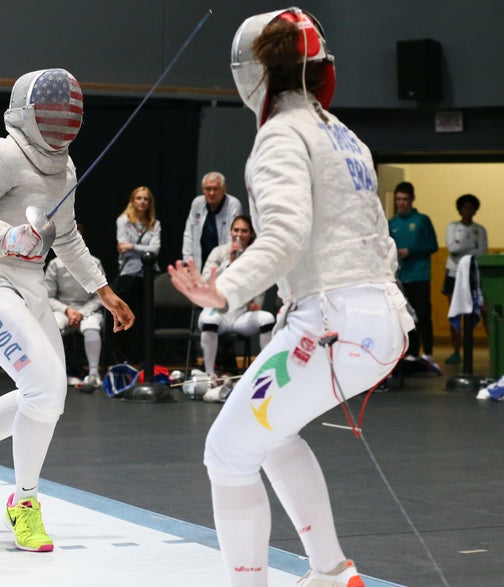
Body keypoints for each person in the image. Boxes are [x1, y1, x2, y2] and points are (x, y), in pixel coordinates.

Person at [168, 8, 413, 586]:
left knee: (226, 454)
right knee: (271, 438)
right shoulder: (343, 134)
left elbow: (284, 233)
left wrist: (223, 287)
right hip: (380, 319)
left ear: (252, 74)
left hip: (336, 323)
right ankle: (330, 571)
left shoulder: (280, 135)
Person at [0, 69, 134, 553]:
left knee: (47, 398)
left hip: (29, 285)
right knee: (46, 387)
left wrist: (102, 289)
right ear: (30, 112)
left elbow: (68, 235)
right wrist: (2, 235)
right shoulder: (3, 154)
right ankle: (25, 502)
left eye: (68, 111)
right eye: (53, 111)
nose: (61, 118)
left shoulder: (67, 168)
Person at [198, 215, 274, 379]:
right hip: (217, 312)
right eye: (236, 230)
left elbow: (261, 283)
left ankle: (266, 373)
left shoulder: (254, 257)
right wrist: (228, 264)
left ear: (250, 234)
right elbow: (205, 280)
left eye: (244, 231)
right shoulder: (218, 252)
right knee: (209, 321)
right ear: (231, 232)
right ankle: (209, 374)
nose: (239, 234)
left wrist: (257, 303)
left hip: (241, 315)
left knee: (267, 318)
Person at [45, 224, 105, 387]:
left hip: (87, 309)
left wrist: (82, 312)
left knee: (92, 326)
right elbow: (48, 297)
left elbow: (101, 296)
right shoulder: (55, 265)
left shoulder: (94, 263)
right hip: (63, 309)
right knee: (54, 325)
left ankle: (93, 374)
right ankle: (57, 374)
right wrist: (68, 311)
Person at [388, 181, 440, 371]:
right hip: (399, 278)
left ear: (412, 199)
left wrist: (411, 251)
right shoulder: (391, 223)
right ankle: (411, 353)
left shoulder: (422, 220)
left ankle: (428, 353)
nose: (401, 203)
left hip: (419, 275)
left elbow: (433, 246)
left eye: (404, 199)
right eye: (398, 199)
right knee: (405, 317)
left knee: (423, 315)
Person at [109, 186, 161, 364]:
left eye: (146, 199)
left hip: (148, 277)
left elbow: (154, 250)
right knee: (126, 317)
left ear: (149, 203)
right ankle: (123, 360)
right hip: (128, 275)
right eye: (139, 198)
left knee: (145, 320)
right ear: (133, 201)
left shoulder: (154, 224)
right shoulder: (123, 221)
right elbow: (121, 246)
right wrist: (137, 250)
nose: (142, 202)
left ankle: (144, 361)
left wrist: (132, 247)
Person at [442, 193, 488, 364]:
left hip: (474, 274)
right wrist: (470, 246)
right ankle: (456, 352)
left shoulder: (480, 229)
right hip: (453, 273)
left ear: (475, 210)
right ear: (460, 209)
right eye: (464, 207)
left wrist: (463, 247)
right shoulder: (452, 226)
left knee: (483, 312)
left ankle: (493, 350)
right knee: (455, 311)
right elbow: (452, 249)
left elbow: (481, 253)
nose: (467, 210)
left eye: (471, 207)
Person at [182, 171, 243, 271]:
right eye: (208, 189)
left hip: (223, 262)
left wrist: (226, 265)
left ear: (224, 190)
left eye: (216, 189)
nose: (211, 193)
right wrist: (186, 262)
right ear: (202, 190)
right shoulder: (197, 203)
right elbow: (189, 234)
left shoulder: (233, 205)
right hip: (199, 260)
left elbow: (233, 238)